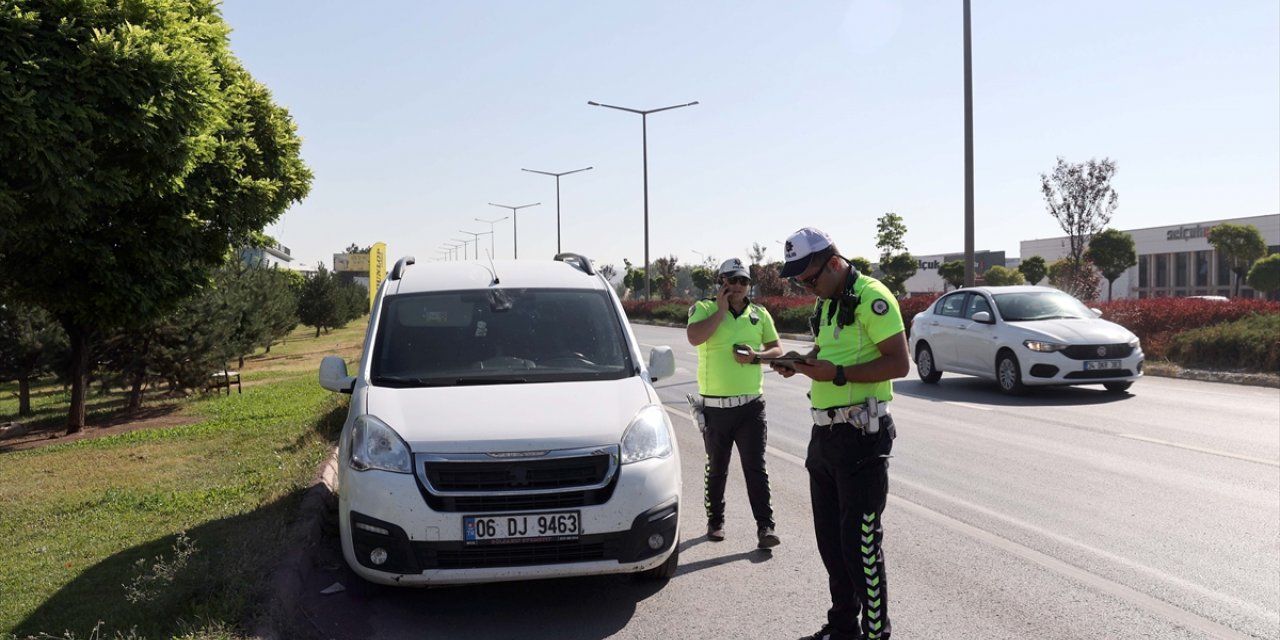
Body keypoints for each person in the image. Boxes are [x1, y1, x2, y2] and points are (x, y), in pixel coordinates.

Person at [771, 228, 910, 640]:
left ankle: (876, 633)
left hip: (862, 438)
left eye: (810, 278)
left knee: (860, 545)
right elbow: (827, 357)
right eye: (799, 281)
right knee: (832, 543)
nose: (806, 287)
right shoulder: (829, 304)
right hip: (825, 438)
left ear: (834, 262)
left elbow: (899, 363)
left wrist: (841, 375)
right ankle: (842, 627)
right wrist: (796, 363)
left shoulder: (872, 296)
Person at [686, 258, 785, 549]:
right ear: (721, 283)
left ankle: (765, 528)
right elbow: (694, 337)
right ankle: (716, 520)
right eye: (732, 280)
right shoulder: (704, 309)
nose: (739, 286)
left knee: (756, 467)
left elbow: (777, 348)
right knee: (717, 467)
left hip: (751, 407)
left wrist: (757, 356)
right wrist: (720, 311)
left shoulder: (760, 314)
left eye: (744, 281)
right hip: (715, 408)